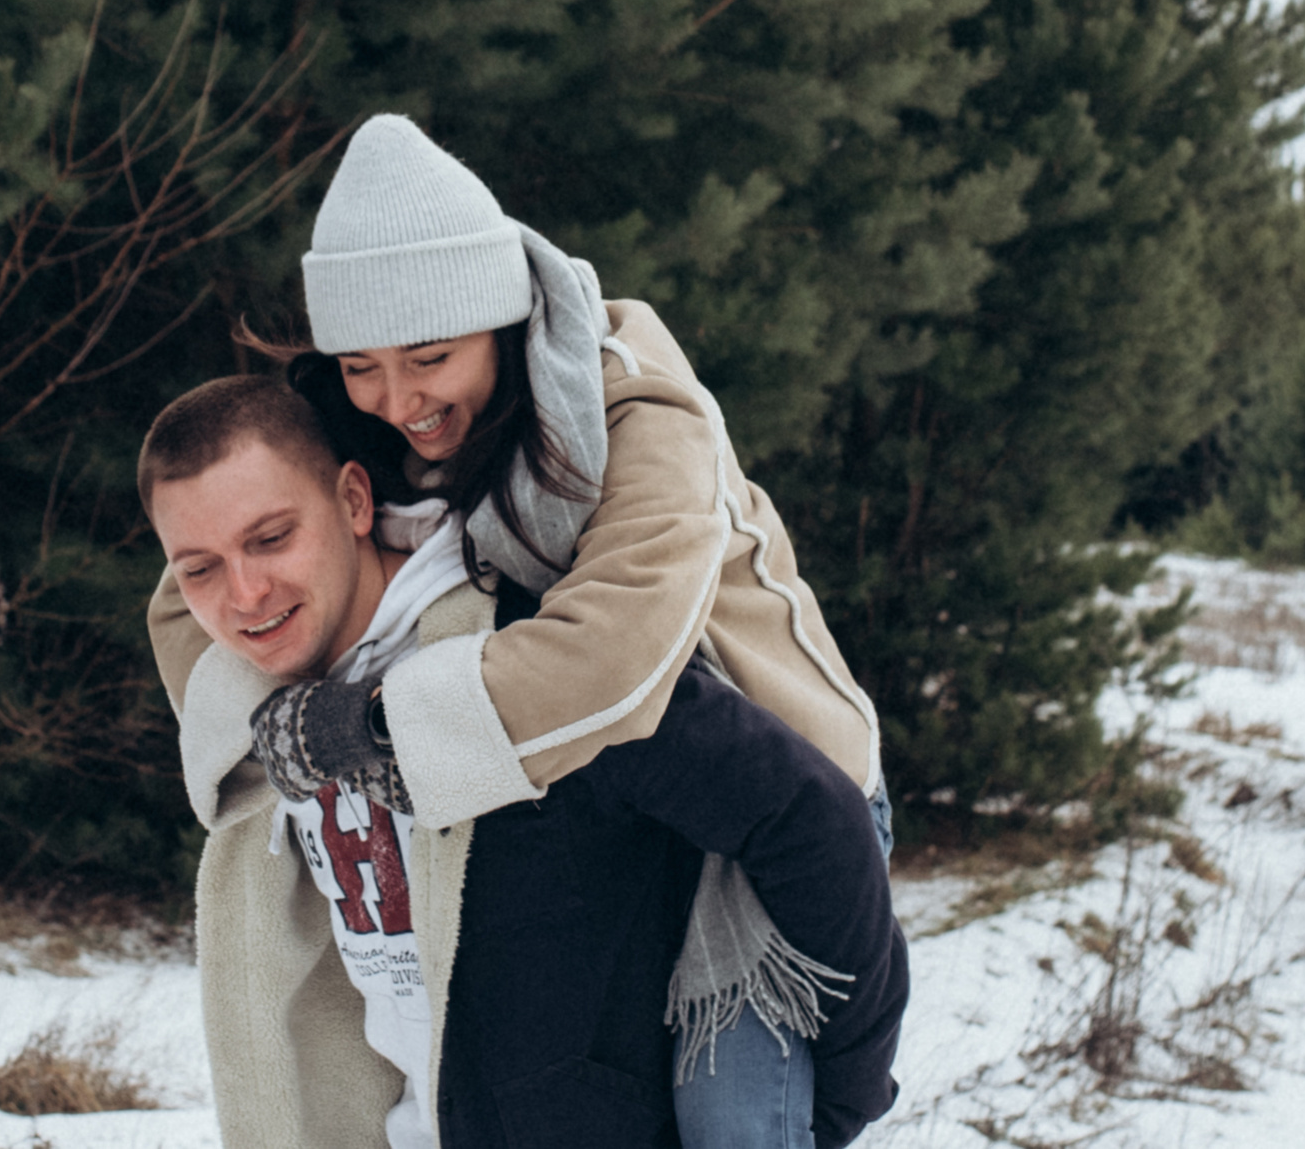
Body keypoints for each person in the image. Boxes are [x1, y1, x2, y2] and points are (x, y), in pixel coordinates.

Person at [147, 115, 891, 1146]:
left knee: (732, 1114)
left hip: (785, 780)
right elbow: (197, 566)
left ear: (497, 318)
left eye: (429, 358)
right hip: (625, 773)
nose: (399, 400)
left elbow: (613, 655)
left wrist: (369, 722)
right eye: (361, 363)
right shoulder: (364, 404)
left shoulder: (637, 407)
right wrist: (266, 717)